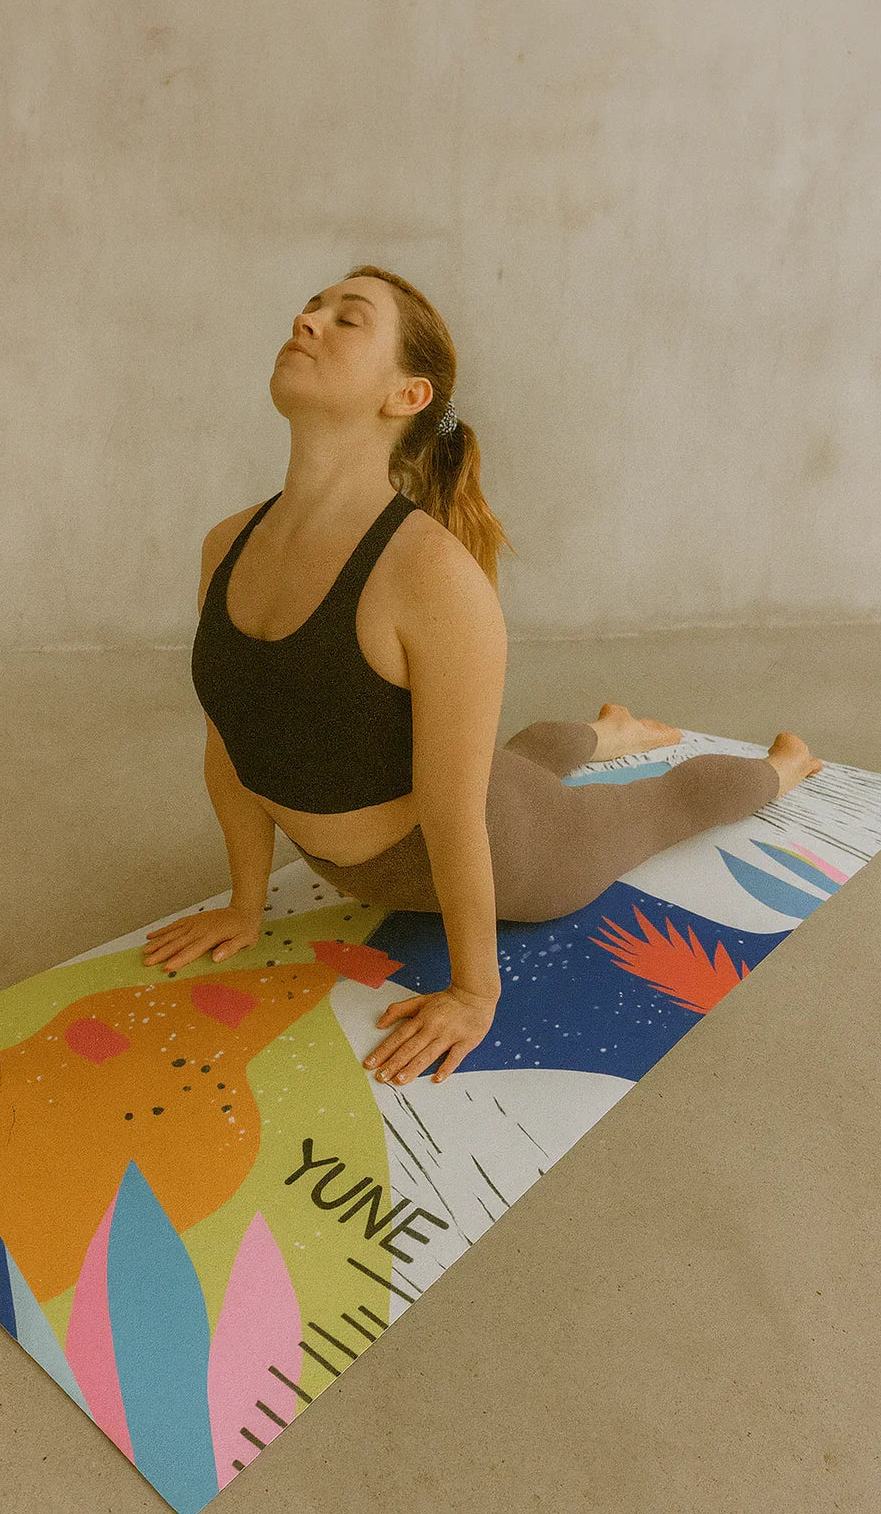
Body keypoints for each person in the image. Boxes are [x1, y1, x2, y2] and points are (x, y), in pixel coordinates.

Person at [145, 266, 823, 1089]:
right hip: (382, 850)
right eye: (314, 306)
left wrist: (473, 990)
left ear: (408, 394)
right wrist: (245, 908)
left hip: (519, 850)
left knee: (652, 808)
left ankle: (785, 766)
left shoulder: (431, 576)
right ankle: (609, 731)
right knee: (517, 753)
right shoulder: (226, 544)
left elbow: (454, 808)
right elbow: (235, 748)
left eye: (347, 319)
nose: (308, 318)